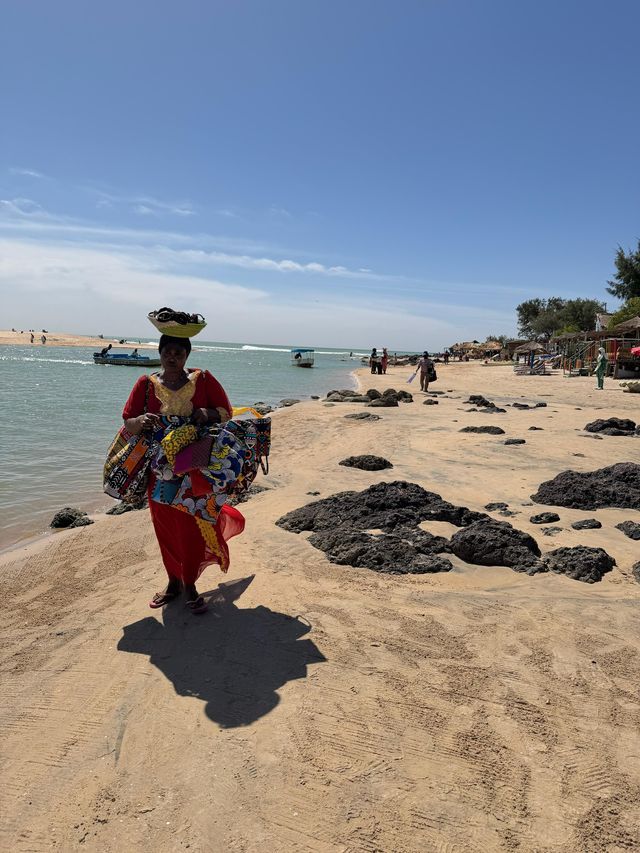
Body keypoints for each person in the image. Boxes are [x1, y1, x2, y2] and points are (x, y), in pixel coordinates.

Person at [121, 334, 245, 614]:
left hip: (195, 465)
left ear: (187, 355)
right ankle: (173, 581)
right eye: (168, 351)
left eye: (179, 352)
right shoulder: (145, 384)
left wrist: (205, 412)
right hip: (158, 468)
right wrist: (141, 420)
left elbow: (226, 412)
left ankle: (189, 583)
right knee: (163, 525)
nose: (173, 357)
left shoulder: (203, 380)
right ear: (161, 353)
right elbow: (128, 420)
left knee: (191, 523)